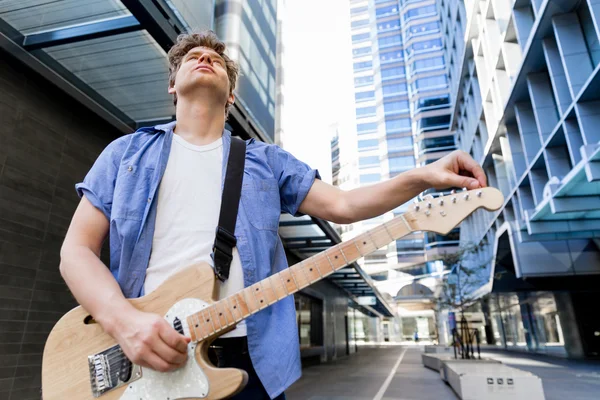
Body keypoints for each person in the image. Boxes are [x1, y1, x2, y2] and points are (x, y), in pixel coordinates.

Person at [59, 30, 487, 399]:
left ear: (230, 94)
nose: (205, 57)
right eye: (193, 57)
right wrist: (125, 323)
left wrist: (422, 177)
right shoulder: (126, 153)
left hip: (250, 365)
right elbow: (76, 251)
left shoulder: (265, 161)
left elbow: (343, 205)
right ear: (173, 85)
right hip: (142, 360)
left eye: (216, 59)